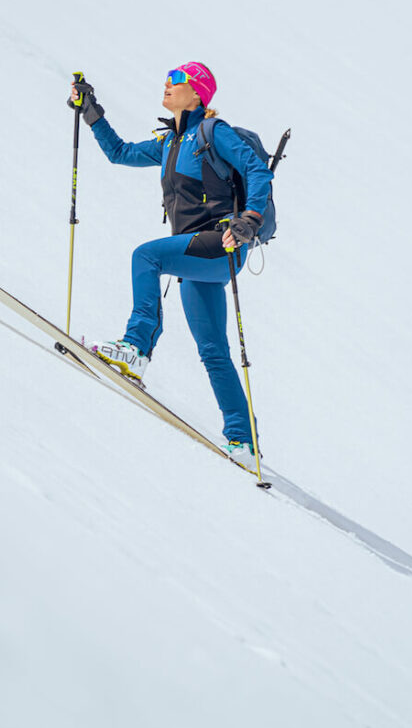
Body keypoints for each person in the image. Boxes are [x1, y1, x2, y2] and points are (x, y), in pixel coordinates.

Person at [67, 62, 273, 467]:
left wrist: (249, 219)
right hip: (196, 255)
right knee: (213, 350)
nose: (167, 84)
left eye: (177, 81)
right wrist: (91, 112)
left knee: (145, 255)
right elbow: (120, 153)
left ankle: (136, 348)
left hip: (223, 243)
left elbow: (256, 170)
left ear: (197, 95)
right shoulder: (169, 142)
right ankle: (243, 441)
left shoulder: (214, 133)